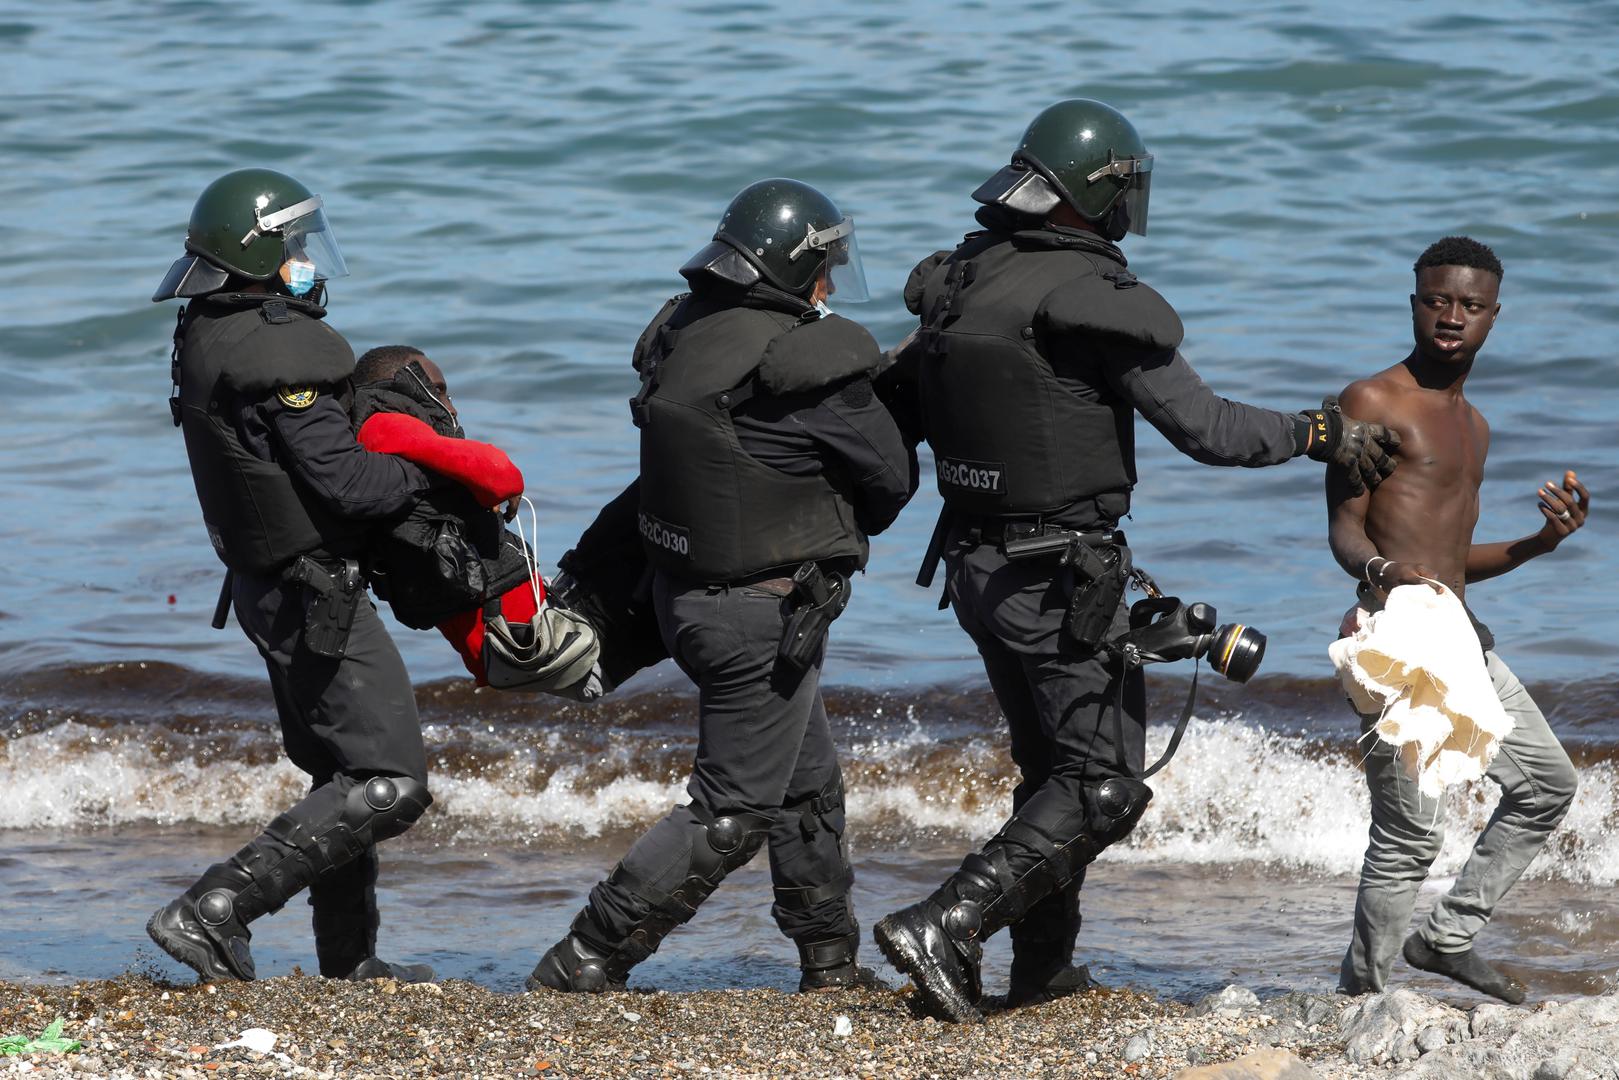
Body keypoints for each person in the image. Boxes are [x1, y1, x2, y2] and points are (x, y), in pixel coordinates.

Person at [870, 99, 1405, 1022]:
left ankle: (1040, 970)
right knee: (1104, 787)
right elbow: (1211, 431)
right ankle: (946, 923)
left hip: (975, 568)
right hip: (1056, 582)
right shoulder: (1091, 303)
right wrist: (1319, 432)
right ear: (1094, 196)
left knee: (1054, 777)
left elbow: (894, 408)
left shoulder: (962, 280)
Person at [529, 178, 916, 994]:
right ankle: (586, 958)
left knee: (807, 783)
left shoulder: (678, 333)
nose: (831, 287)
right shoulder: (805, 361)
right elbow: (889, 486)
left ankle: (830, 965)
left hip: (682, 598)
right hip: (755, 618)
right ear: (788, 267)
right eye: (825, 269)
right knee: (731, 811)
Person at [148, 169, 436, 983]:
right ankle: (215, 909)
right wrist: (434, 475)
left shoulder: (209, 329)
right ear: (261, 251)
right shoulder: (281, 347)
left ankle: (349, 963)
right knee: (388, 784)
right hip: (311, 591)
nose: (307, 258)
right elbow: (345, 483)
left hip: (267, 585)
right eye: (296, 243)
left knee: (342, 778)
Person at [1331, 236, 1585, 1003]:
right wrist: (1384, 573)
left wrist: (1540, 543)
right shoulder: (1368, 402)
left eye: (1469, 306)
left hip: (1462, 640)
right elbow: (1345, 531)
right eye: (1436, 300)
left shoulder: (1473, 426)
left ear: (1492, 316)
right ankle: (1361, 998)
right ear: (1414, 304)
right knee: (1407, 836)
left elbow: (1450, 556)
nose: (1451, 317)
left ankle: (1444, 939)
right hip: (1397, 642)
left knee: (1546, 784)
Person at [345, 346, 602, 697]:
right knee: (575, 666)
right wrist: (501, 485)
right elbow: (497, 472)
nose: (450, 405)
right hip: (482, 593)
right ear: (405, 384)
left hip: (459, 592)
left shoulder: (376, 430)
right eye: (437, 390)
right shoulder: (384, 423)